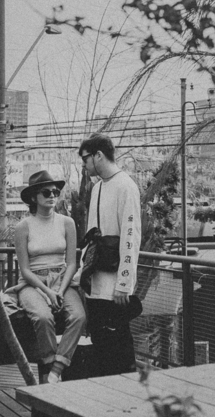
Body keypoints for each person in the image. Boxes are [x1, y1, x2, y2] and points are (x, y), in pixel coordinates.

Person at [13, 170, 86, 384]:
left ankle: (56, 368)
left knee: (79, 317)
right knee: (43, 317)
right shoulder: (23, 227)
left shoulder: (67, 223)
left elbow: (72, 262)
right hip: (32, 282)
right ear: (34, 197)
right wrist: (46, 292)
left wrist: (60, 291)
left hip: (62, 279)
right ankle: (47, 363)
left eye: (55, 191)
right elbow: (24, 270)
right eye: (46, 192)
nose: (52, 195)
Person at [78, 133, 142, 375]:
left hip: (115, 282)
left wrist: (125, 284)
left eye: (85, 158)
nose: (84, 164)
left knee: (120, 348)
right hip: (95, 279)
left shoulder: (126, 186)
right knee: (101, 345)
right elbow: (91, 234)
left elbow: (131, 236)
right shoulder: (97, 188)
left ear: (98, 155)